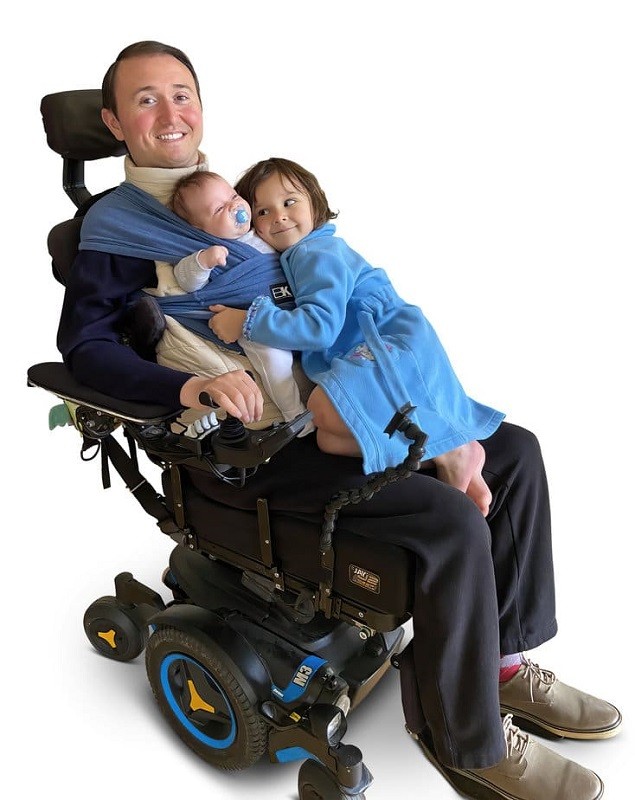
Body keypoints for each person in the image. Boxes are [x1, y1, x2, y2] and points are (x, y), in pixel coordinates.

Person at [56, 40, 621, 800]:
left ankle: (500, 666)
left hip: (323, 396)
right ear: (113, 121)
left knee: (511, 450)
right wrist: (187, 390)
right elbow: (83, 347)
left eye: (181, 92)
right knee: (446, 521)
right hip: (244, 451)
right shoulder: (115, 231)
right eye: (146, 98)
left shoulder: (230, 197)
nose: (169, 111)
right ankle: (465, 742)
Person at [211, 157, 504, 513]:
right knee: (327, 439)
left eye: (290, 202)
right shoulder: (299, 255)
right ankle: (450, 459)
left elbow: (320, 327)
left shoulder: (316, 253)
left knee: (321, 407)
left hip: (388, 345)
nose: (280, 216)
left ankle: (451, 450)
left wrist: (249, 320)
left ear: (315, 202)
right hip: (376, 348)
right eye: (263, 211)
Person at [167, 170, 312, 432]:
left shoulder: (261, 231)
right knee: (274, 362)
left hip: (286, 312)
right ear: (199, 229)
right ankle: (294, 415)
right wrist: (204, 261)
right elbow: (187, 280)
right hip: (252, 325)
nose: (235, 206)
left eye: (233, 196)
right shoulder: (209, 248)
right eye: (220, 208)